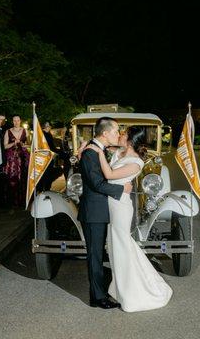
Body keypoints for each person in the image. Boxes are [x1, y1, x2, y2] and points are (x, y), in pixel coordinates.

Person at [87, 126, 173, 312]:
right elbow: (106, 155)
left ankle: (133, 291)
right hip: (110, 204)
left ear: (131, 139)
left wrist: (98, 152)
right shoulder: (120, 153)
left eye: (123, 134)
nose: (120, 135)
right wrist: (98, 149)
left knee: (122, 246)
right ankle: (120, 288)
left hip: (120, 208)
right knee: (116, 248)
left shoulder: (136, 163)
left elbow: (109, 175)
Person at [77, 117, 132, 309]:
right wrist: (121, 190)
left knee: (99, 253)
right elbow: (96, 183)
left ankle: (101, 292)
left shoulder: (98, 149)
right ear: (105, 133)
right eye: (116, 130)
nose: (118, 134)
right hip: (93, 211)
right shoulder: (90, 153)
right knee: (95, 255)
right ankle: (97, 298)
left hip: (101, 210)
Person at [3, 115, 30, 208]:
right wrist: (13, 143)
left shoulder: (25, 131)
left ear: (20, 121)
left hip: (23, 158)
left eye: (18, 120)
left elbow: (30, 144)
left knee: (23, 178)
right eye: (14, 121)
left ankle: (23, 201)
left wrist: (23, 145)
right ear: (12, 121)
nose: (16, 122)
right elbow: (5, 146)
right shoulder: (8, 131)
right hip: (12, 160)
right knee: (13, 179)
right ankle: (13, 202)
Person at [37, 122, 63, 191]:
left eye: (49, 126)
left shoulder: (49, 134)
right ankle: (42, 189)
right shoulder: (42, 134)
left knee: (51, 173)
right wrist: (57, 151)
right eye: (47, 126)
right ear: (44, 126)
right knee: (46, 174)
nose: (48, 127)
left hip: (50, 157)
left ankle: (47, 188)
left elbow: (52, 147)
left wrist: (58, 151)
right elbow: (45, 147)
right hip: (44, 157)